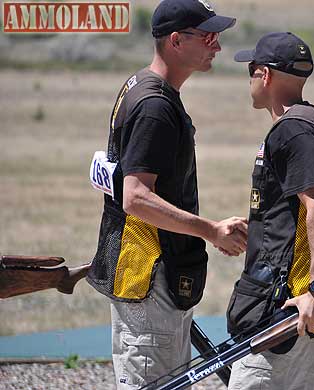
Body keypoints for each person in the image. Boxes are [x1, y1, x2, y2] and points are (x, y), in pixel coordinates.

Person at [86, 0, 247, 388]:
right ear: (176, 40)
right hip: (149, 275)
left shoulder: (143, 87)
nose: (218, 47)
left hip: (149, 271)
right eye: (209, 36)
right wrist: (210, 230)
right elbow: (136, 197)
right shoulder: (155, 106)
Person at [225, 32, 314, 390]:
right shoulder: (310, 123)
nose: (250, 78)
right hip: (304, 305)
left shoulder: (293, 131)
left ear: (265, 74)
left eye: (251, 69)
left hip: (290, 309)